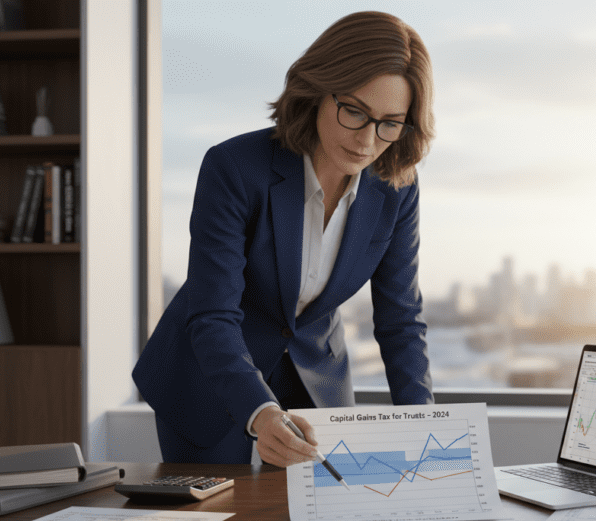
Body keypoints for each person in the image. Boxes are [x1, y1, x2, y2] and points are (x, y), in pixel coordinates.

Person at [133, 11, 436, 468]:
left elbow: (400, 320)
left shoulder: (397, 187)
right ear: (316, 91)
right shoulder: (234, 167)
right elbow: (214, 314)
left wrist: (425, 429)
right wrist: (261, 411)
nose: (367, 141)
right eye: (354, 111)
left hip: (316, 376)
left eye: (390, 123)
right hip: (211, 375)